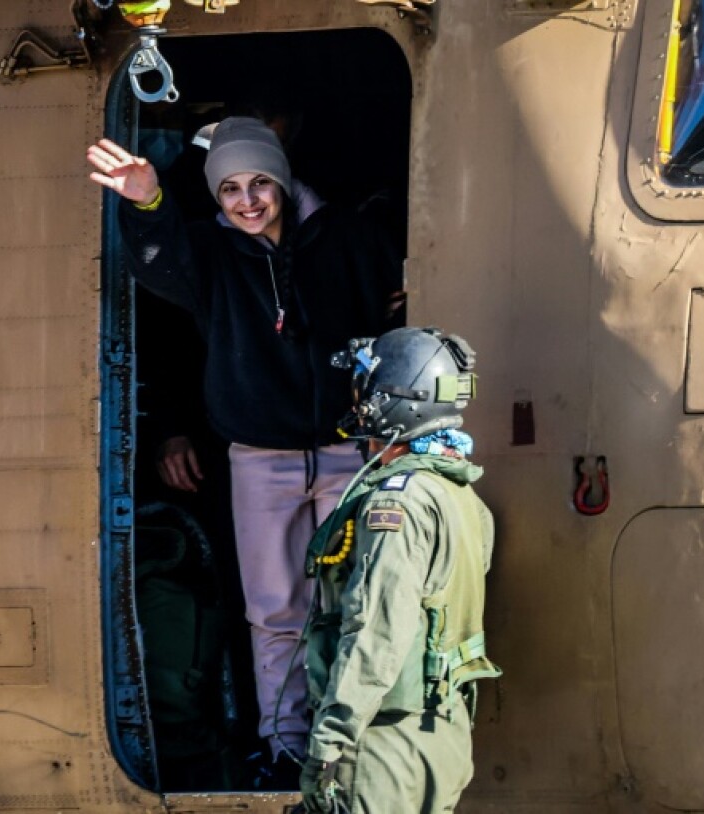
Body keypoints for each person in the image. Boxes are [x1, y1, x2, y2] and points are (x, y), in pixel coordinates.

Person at [88, 117, 405, 785]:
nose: (248, 200)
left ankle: (349, 743)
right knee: (274, 611)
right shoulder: (210, 251)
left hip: (348, 451)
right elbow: (159, 262)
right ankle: (285, 745)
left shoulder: (346, 236)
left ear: (283, 181)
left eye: (260, 182)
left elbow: (392, 312)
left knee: (352, 603)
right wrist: (147, 202)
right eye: (230, 189)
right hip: (261, 459)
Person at [298, 326, 502, 814]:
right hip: (442, 739)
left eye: (366, 392)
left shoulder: (396, 503)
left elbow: (377, 631)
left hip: (381, 748)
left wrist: (330, 741)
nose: (358, 404)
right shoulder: (461, 495)